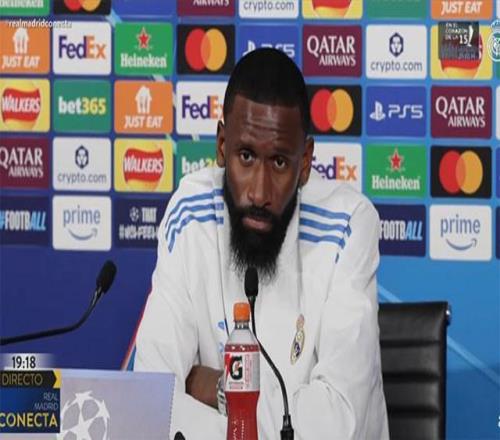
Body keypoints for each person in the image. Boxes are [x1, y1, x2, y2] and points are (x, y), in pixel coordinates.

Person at [134, 48, 389, 439]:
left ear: (305, 162)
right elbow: (150, 400)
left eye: (280, 163)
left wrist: (218, 390)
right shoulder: (189, 212)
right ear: (222, 145)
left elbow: (337, 423)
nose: (259, 192)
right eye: (246, 156)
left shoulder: (349, 224)